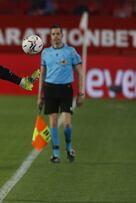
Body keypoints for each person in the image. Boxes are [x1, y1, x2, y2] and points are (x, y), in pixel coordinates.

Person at [37, 25, 85, 163]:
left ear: (62, 35)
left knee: (67, 123)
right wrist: (39, 96)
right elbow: (42, 75)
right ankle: (56, 153)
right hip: (50, 89)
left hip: (65, 89)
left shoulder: (70, 51)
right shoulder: (45, 53)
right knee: (52, 121)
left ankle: (69, 147)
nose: (56, 36)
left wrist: (81, 93)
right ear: (50, 36)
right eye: (53, 34)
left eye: (58, 33)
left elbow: (80, 73)